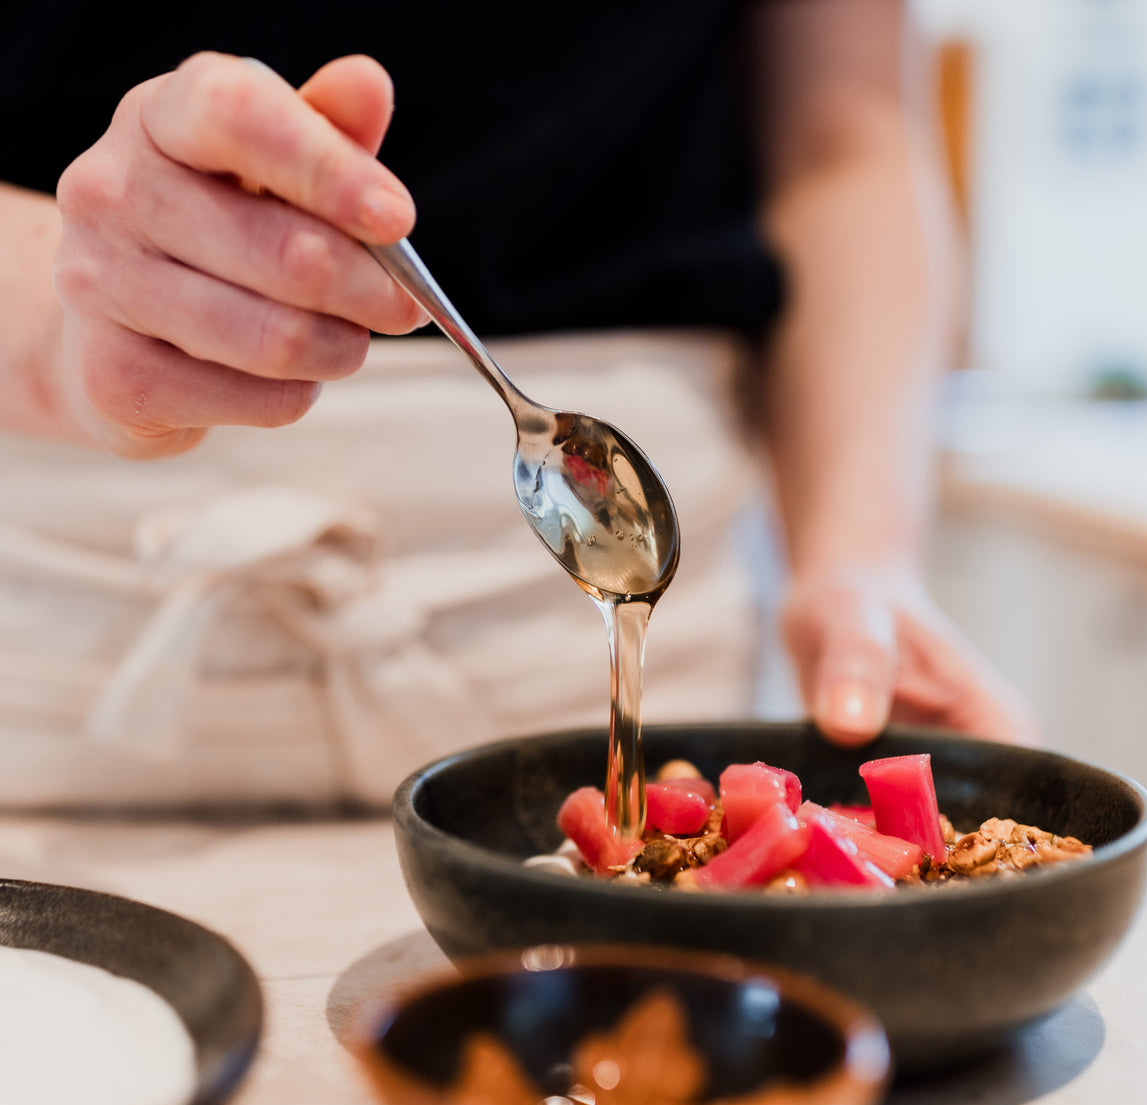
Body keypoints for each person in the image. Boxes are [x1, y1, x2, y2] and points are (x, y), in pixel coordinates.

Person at [0, 0, 1033, 805]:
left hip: (616, 677)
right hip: (62, 650)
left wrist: (862, 555)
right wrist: (65, 324)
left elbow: (845, 146)